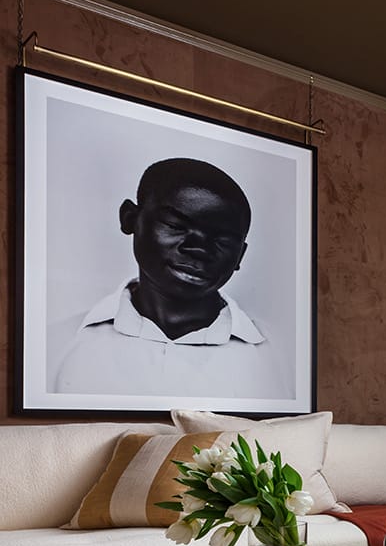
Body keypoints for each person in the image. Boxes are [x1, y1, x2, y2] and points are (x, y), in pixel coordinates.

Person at [51, 158, 290, 398]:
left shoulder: (283, 360)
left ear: (241, 255)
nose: (198, 248)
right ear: (130, 218)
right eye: (175, 225)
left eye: (223, 240)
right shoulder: (54, 345)